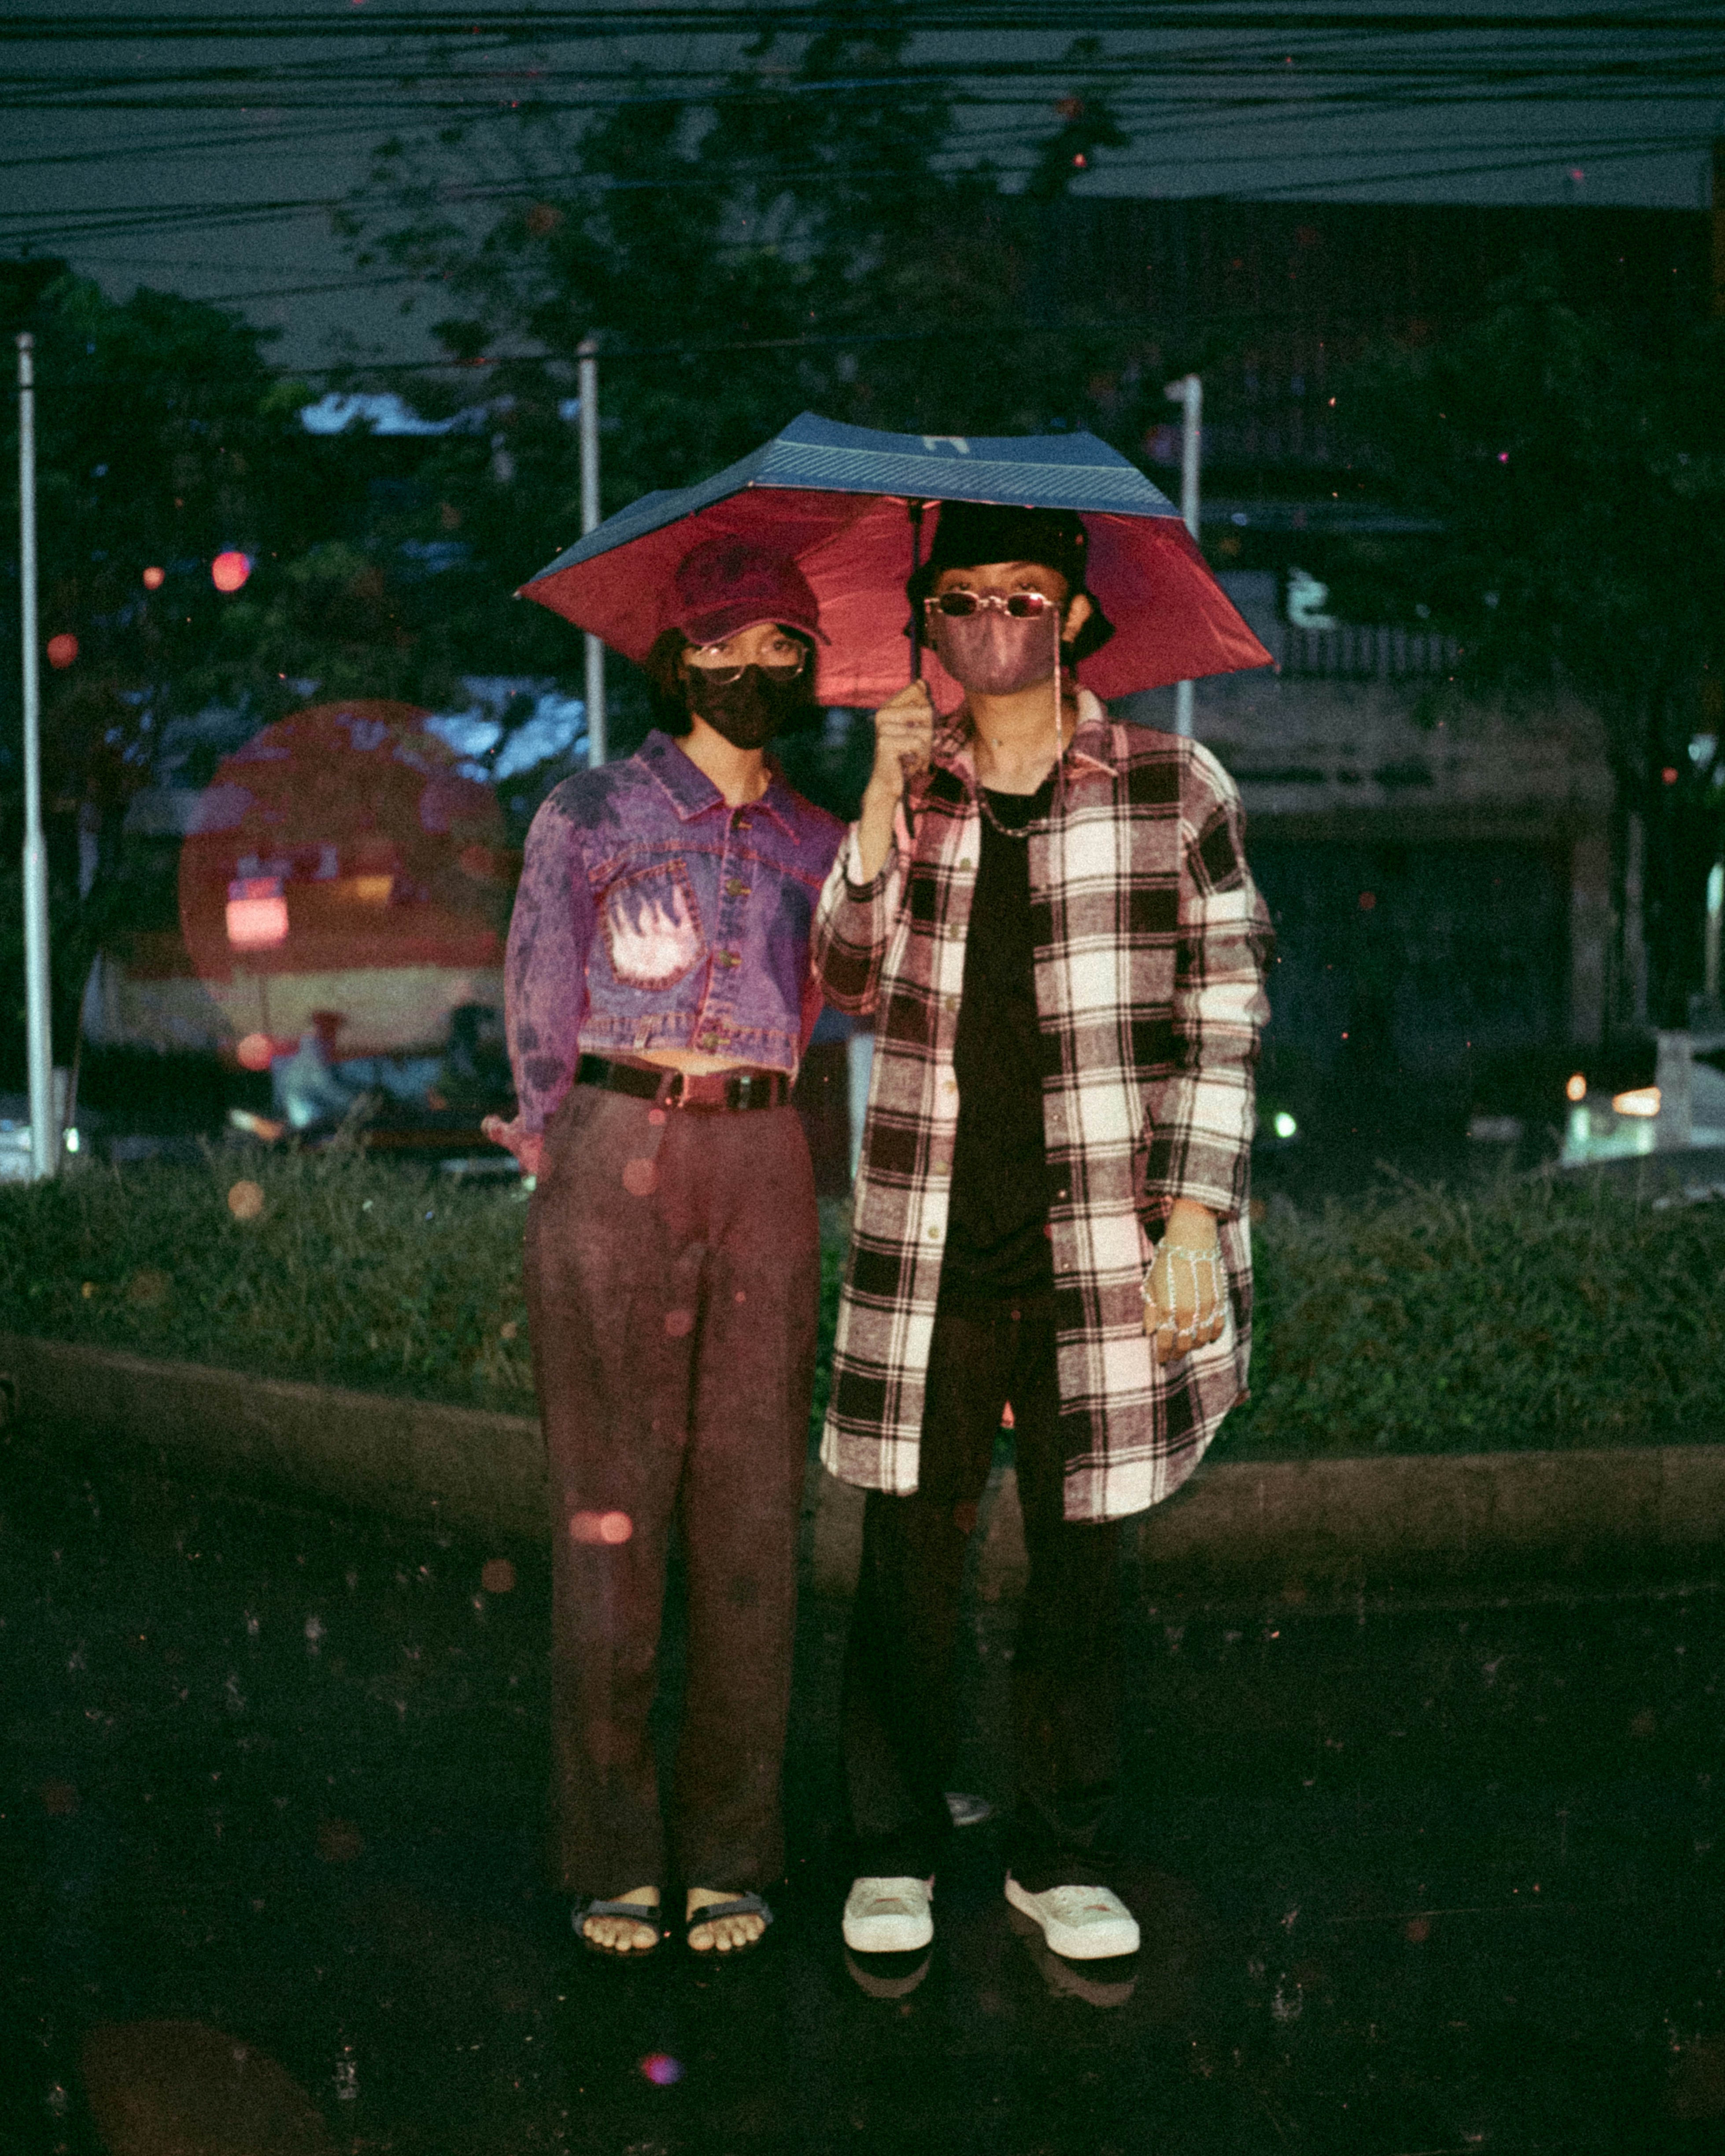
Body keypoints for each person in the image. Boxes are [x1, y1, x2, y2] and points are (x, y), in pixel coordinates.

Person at [813, 500, 1272, 1964]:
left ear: (1075, 614)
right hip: (934, 1233)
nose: (996, 621)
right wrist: (876, 809)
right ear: (929, 624)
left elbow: (1229, 1006)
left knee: (1084, 1560)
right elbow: (840, 975)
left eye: (1026, 595)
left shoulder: (1172, 784)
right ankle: (890, 1847)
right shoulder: (919, 783)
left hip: (1104, 1239)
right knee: (909, 1553)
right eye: (964, 599)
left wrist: (1194, 1214)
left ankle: (1058, 1851)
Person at [485, 536, 846, 1958]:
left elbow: (870, 988)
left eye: (783, 647)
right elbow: (534, 998)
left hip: (765, 1155)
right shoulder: (590, 811)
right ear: (676, 654)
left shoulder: (826, 842)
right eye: (724, 642)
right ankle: (613, 1850)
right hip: (611, 1150)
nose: (752, 667)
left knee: (754, 1519)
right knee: (611, 1517)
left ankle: (731, 1848)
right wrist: (550, 1143)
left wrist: (885, 821)